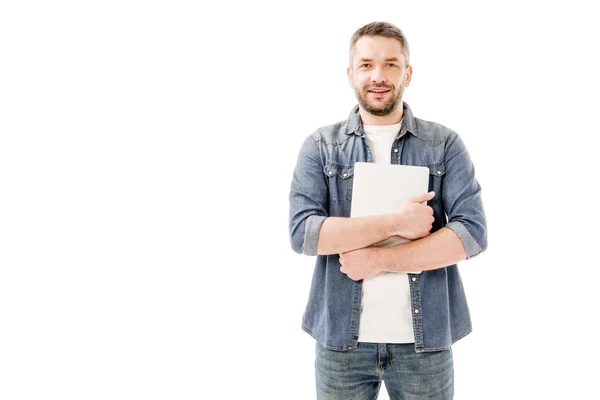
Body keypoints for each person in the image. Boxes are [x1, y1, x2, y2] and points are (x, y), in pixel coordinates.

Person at [288, 21, 488, 399]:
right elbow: (304, 234)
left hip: (424, 345)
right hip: (340, 347)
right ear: (350, 74)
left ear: (407, 73)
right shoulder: (321, 146)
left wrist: (380, 260)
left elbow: (472, 235)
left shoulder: (443, 145)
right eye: (366, 65)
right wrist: (396, 224)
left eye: (391, 64)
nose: (378, 76)